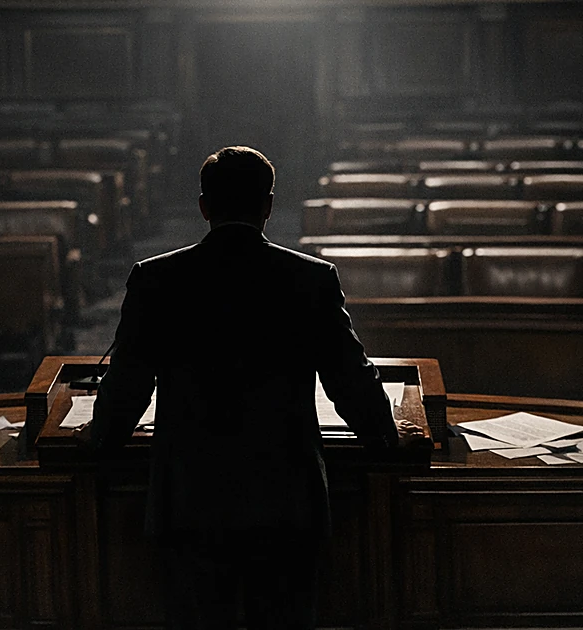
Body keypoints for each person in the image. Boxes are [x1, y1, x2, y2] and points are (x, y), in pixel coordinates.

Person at [82, 146, 413, 629]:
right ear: (269, 205)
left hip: (191, 504)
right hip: (285, 503)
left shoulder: (156, 279)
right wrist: (386, 438)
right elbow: (351, 380)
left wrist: (100, 440)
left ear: (203, 206)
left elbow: (128, 386)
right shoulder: (310, 278)